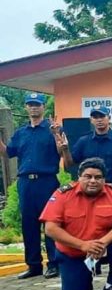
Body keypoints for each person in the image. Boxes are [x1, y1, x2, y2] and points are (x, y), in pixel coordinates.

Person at [39, 158, 112, 290]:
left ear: (104, 180)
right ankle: (85, 276)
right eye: (88, 176)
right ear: (79, 178)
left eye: (98, 177)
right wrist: (83, 245)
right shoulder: (63, 195)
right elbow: (50, 229)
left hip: (103, 249)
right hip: (73, 252)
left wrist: (102, 243)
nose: (92, 181)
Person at [0, 93, 61, 279]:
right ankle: (34, 265)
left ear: (43, 107)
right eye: (30, 104)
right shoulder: (21, 132)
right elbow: (8, 153)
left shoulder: (52, 129)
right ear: (26, 108)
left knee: (50, 222)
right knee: (28, 224)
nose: (33, 107)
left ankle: (54, 263)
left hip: (47, 181)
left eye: (37, 104)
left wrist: (57, 134)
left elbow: (62, 151)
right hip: (26, 182)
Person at [60, 105, 112, 188]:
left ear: (109, 118)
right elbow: (69, 164)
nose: (99, 120)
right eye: (95, 117)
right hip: (89, 188)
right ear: (91, 120)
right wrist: (65, 150)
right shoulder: (83, 141)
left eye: (102, 116)